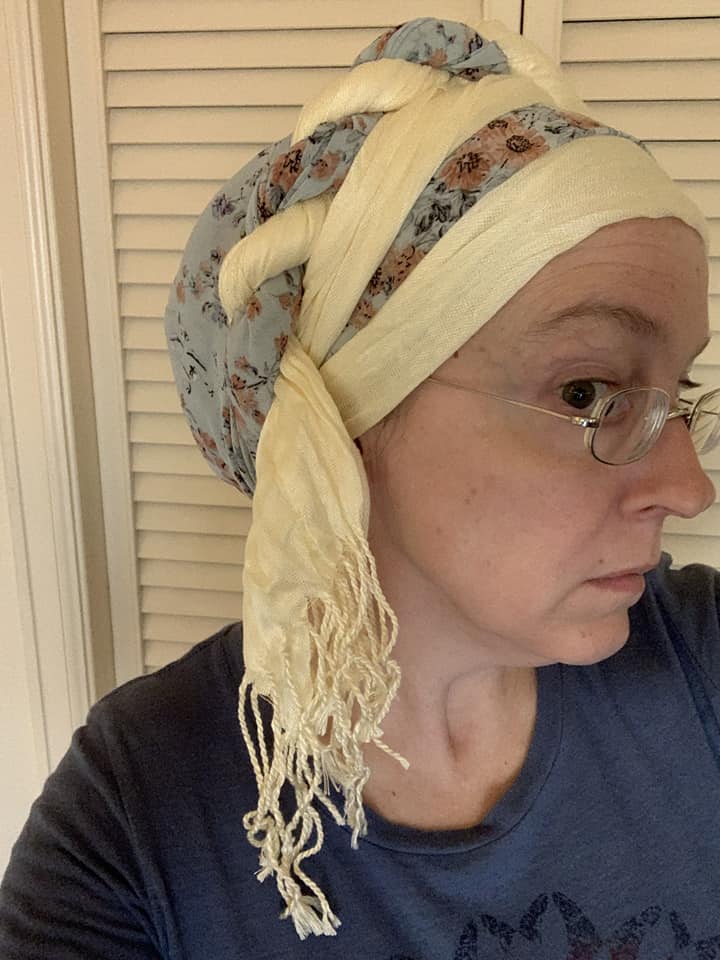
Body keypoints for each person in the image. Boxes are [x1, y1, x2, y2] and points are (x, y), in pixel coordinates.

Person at [2, 15, 720, 958]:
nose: (689, 487)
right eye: (588, 392)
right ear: (346, 421)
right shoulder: (134, 821)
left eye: (681, 395)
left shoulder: (701, 657)